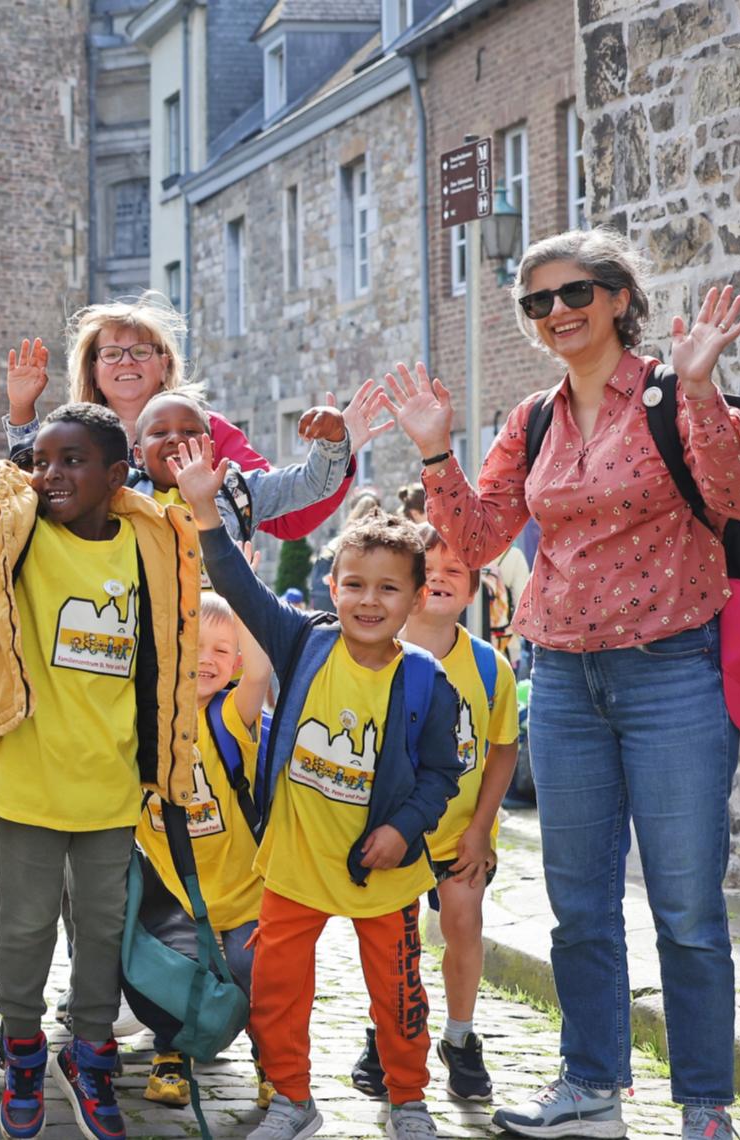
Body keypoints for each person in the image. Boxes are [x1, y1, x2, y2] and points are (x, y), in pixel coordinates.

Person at [384, 228, 740, 1140]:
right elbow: (476, 543)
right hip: (559, 677)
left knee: (685, 905)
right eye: (539, 301)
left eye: (578, 292)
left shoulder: (676, 394)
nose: (559, 311)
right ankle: (591, 1088)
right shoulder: (534, 421)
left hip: (673, 671)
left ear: (618, 297)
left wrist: (704, 388)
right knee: (580, 904)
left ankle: (706, 1105)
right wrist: (437, 451)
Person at [0, 316, 198, 1140]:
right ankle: (23, 1051)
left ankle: (90, 1056)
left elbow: (171, 660)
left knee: (101, 937)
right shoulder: (9, 527)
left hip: (111, 787)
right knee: (22, 935)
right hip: (24, 783)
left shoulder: (153, 543)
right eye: (41, 460)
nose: (52, 474)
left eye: (73, 461)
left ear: (117, 471)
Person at [176, 443, 462, 1140]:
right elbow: (237, 585)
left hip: (382, 874)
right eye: (356, 585)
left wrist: (406, 828)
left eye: (389, 588)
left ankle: (408, 1100)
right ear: (332, 587)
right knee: (276, 993)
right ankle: (291, 1100)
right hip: (296, 866)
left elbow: (441, 776)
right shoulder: (302, 642)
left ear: (416, 597)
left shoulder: (426, 682)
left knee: (398, 997)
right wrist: (204, 510)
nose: (371, 600)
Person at [346, 525, 519, 1104]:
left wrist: (481, 832)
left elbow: (502, 749)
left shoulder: (492, 668)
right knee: (392, 944)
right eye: (433, 567)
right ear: (413, 585)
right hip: (397, 831)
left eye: (458, 570)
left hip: (459, 836)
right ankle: (385, 1033)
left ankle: (460, 1038)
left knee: (463, 922)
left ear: (474, 589)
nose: (443, 576)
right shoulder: (378, 655)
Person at [5, 295, 351, 540]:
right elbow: (32, 493)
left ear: (164, 363)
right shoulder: (74, 439)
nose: (127, 362)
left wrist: (335, 445)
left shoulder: (214, 439)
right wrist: (22, 407)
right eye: (111, 353)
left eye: (141, 351)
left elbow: (289, 502)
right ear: (93, 370)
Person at [127, 593, 269, 1110]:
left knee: (259, 982)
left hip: (247, 894)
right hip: (178, 893)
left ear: (234, 662)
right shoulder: (146, 724)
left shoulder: (231, 718)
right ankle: (170, 1052)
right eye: (194, 645)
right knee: (168, 973)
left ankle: (271, 1059)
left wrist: (241, 596)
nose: (206, 658)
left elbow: (260, 675)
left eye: (221, 649)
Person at [122, 388, 376, 543]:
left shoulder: (239, 489)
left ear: (211, 446)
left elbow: (311, 483)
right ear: (138, 454)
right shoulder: (120, 494)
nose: (175, 438)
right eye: (159, 432)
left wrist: (333, 438)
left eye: (189, 430)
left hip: (221, 628)